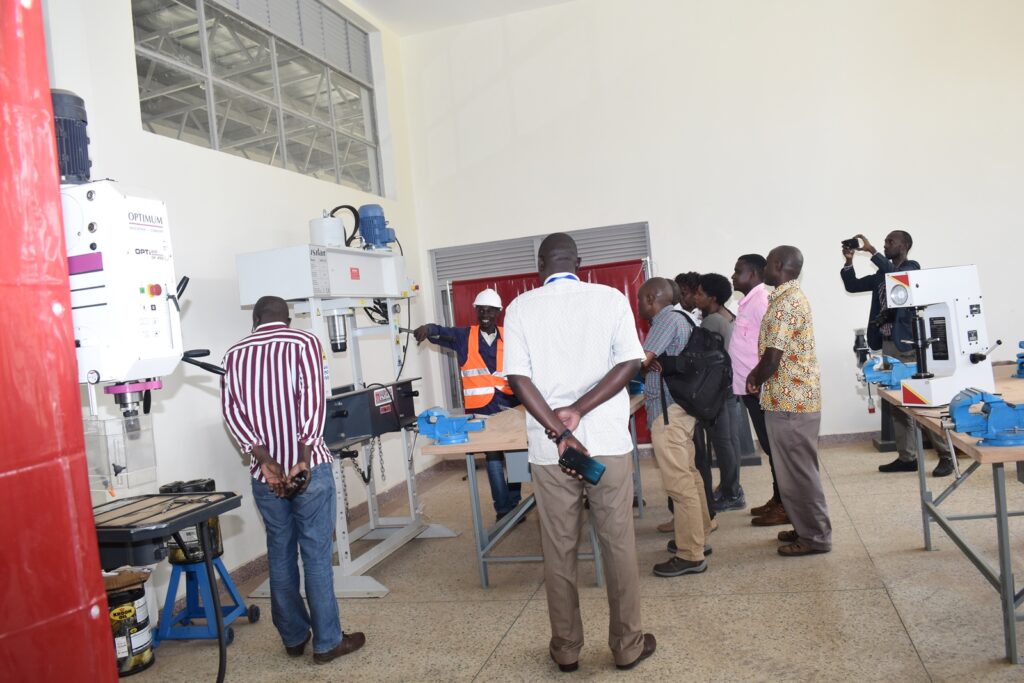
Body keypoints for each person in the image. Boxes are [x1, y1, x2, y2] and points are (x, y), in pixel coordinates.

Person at [503, 233, 656, 672]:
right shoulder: (609, 298)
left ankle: (566, 649)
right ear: (579, 262)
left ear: (539, 266)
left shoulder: (521, 308)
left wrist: (559, 428)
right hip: (606, 442)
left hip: (552, 453)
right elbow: (630, 362)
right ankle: (628, 646)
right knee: (619, 545)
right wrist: (580, 411)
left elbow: (519, 377)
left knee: (559, 549)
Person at [221, 296, 365, 663]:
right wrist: (301, 457)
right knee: (315, 553)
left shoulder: (233, 354)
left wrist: (265, 459)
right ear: (288, 318)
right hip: (309, 468)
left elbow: (231, 413)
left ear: (255, 320)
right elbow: (315, 402)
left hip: (265, 476)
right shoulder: (303, 342)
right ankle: (328, 642)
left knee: (280, 552)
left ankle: (293, 637)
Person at [840, 231, 954, 477]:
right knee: (897, 404)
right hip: (888, 343)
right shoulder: (883, 274)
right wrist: (849, 261)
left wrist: (871, 251)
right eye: (884, 242)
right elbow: (853, 285)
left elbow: (898, 277)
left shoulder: (912, 268)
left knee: (921, 400)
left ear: (905, 245)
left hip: (910, 344)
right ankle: (907, 457)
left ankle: (947, 455)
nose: (885, 244)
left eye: (890, 242)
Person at [746, 247, 832, 556]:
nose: (765, 268)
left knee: (799, 474)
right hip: (787, 400)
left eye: (768, 263)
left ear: (779, 265)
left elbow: (772, 356)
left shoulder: (787, 303)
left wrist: (754, 377)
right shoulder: (784, 298)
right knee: (792, 473)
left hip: (791, 403)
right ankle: (804, 527)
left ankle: (816, 538)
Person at [414, 289, 523, 520]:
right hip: (481, 410)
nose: (485, 314)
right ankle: (503, 509)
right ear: (476, 311)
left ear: (498, 313)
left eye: (490, 310)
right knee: (493, 458)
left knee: (517, 456)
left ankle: (516, 503)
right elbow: (441, 332)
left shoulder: (511, 335)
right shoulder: (464, 336)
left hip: (511, 405)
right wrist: (428, 329)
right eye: (481, 309)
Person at [638, 277, 712, 577]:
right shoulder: (684, 317)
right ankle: (700, 534)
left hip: (668, 412)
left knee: (679, 484)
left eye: (641, 298)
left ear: (652, 297)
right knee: (690, 476)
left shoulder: (665, 319)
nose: (639, 304)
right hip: (683, 408)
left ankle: (690, 555)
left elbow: (641, 360)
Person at [729, 254, 787, 526]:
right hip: (750, 388)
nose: (732, 276)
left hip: (760, 388)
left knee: (774, 446)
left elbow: (772, 346)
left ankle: (785, 505)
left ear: (752, 274)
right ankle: (778, 499)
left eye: (737, 271)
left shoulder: (761, 301)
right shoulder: (747, 302)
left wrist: (760, 379)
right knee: (768, 445)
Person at [693, 273, 745, 512]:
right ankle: (732, 487)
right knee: (731, 440)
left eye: (700, 293)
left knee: (723, 442)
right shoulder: (727, 315)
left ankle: (731, 493)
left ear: (712, 298)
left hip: (719, 390)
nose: (696, 297)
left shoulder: (712, 322)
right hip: (731, 387)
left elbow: (705, 360)